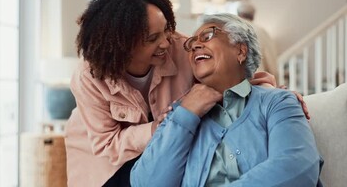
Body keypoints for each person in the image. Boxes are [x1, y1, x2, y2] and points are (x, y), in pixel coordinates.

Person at [64, 0, 283, 187]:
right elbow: (107, 145)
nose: (166, 42)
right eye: (152, 38)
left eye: (167, 29)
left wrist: (273, 96)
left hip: (163, 152)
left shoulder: (182, 48)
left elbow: (228, 76)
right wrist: (157, 128)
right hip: (105, 164)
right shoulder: (89, 76)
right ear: (123, 46)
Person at [130, 13, 323, 186]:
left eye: (207, 36)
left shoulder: (277, 102)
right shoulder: (178, 114)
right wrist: (186, 115)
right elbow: (146, 182)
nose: (195, 45)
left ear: (240, 51)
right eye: (191, 44)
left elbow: (297, 165)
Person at [237, 1, 279, 79]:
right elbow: (271, 63)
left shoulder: (229, 31)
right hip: (257, 81)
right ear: (253, 16)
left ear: (238, 14)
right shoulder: (262, 32)